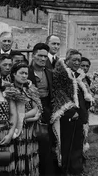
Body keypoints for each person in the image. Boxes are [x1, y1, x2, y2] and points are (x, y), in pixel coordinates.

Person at [51, 49, 93, 175]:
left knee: (77, 144)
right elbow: (59, 93)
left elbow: (84, 93)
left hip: (80, 115)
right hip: (69, 115)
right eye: (74, 60)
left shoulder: (79, 75)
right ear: (67, 60)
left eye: (79, 60)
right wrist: (70, 111)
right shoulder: (62, 74)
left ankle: (76, 169)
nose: (77, 62)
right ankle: (66, 170)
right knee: (67, 145)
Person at [8, 63, 41, 176]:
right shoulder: (9, 90)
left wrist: (24, 116)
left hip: (30, 130)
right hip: (17, 130)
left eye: (26, 73)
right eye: (21, 73)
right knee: (18, 156)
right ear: (14, 74)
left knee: (30, 157)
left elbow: (36, 108)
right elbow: (11, 113)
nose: (24, 76)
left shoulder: (30, 89)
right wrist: (25, 118)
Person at [27, 43, 56, 175]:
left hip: (48, 109)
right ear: (33, 56)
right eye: (40, 56)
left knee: (47, 141)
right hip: (31, 108)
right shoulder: (26, 72)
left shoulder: (49, 73)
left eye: (45, 56)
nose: (43, 59)